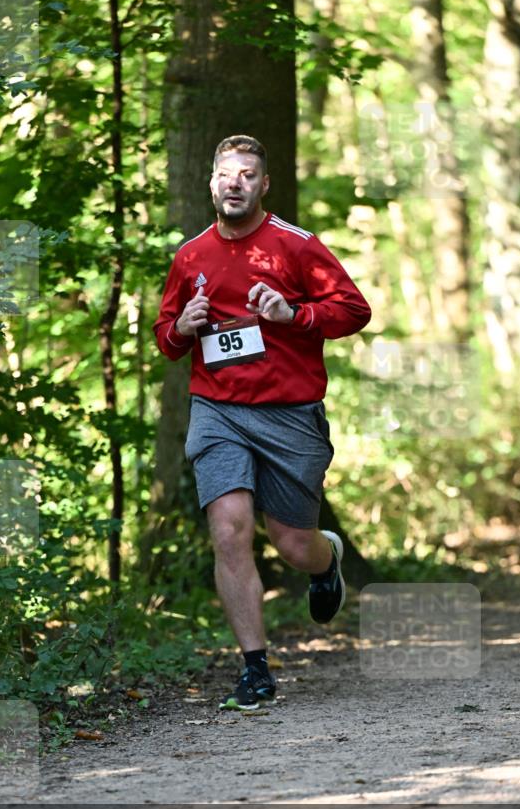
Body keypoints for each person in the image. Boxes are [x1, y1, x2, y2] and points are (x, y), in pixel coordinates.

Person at [153, 135, 371, 711]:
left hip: (289, 414)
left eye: (248, 174)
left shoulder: (296, 246)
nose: (235, 183)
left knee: (293, 544)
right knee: (229, 529)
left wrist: (294, 313)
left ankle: (326, 561)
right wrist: (184, 327)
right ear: (211, 182)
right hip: (218, 407)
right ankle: (255, 669)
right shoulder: (190, 255)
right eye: (226, 173)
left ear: (263, 184)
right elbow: (166, 338)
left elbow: (354, 310)